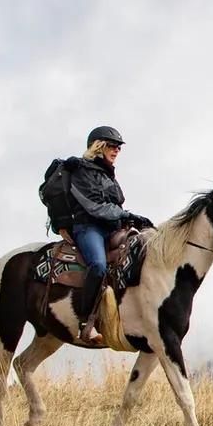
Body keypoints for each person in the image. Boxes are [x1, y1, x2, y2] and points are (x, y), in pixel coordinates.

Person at [43, 127, 153, 342]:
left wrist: (130, 219)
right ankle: (85, 323)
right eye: (112, 146)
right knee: (99, 265)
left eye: (119, 147)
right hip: (88, 228)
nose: (117, 150)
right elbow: (95, 207)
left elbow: (113, 206)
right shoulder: (81, 171)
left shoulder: (107, 172)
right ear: (98, 146)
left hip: (111, 227)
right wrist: (127, 214)